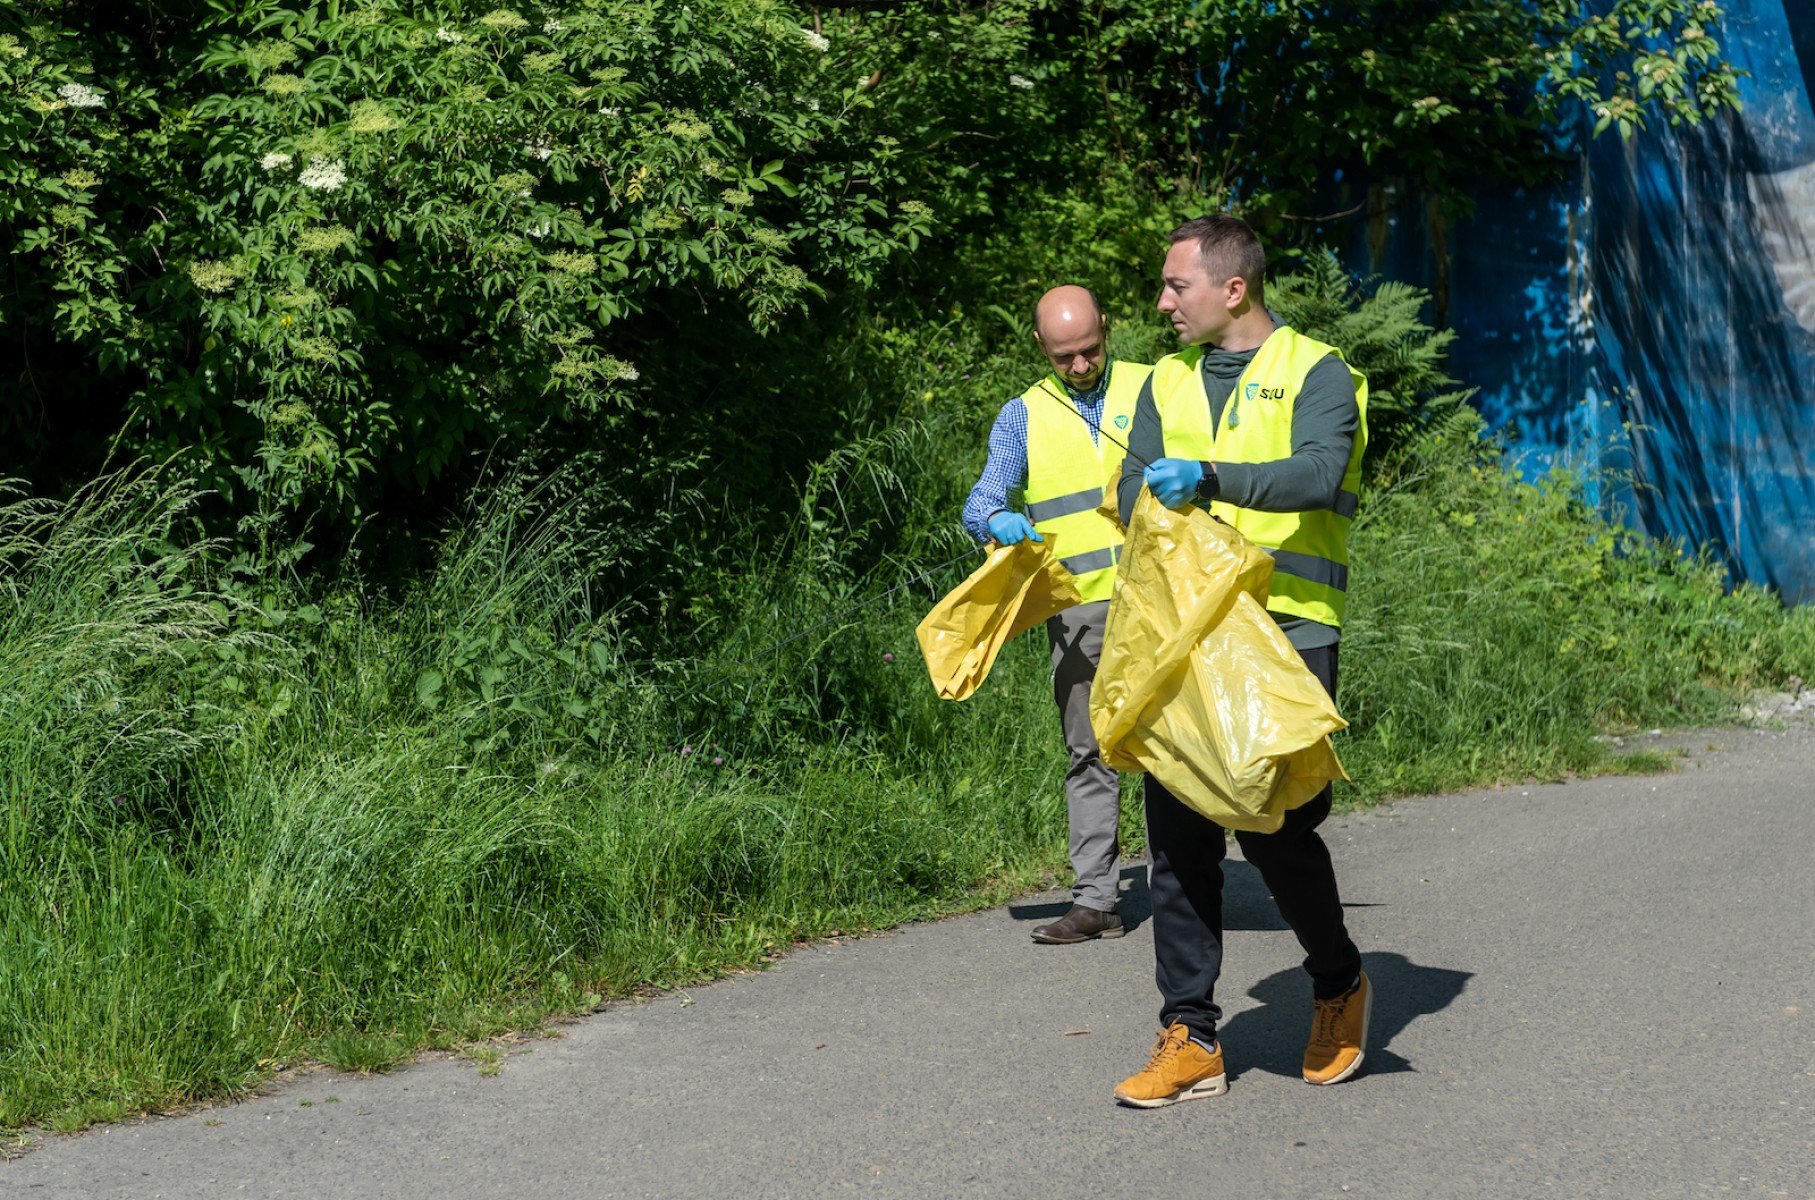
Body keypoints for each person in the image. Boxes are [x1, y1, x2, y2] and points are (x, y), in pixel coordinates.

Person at [1109, 215, 1371, 1107]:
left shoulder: (1317, 370)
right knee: (1177, 837)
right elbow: (1127, 485)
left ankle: (1335, 981)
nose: (1160, 302)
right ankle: (1190, 1033)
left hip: (1285, 628)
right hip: (1184, 632)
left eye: (1174, 285)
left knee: (1273, 827)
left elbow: (1317, 474)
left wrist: (1209, 478)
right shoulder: (1165, 380)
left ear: (1233, 289)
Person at [961, 285, 1154, 945]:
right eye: (1064, 356)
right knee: (1090, 751)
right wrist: (994, 518)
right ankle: (1096, 899)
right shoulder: (1022, 414)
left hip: (1160, 598)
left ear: (1107, 325)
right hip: (1079, 611)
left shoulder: (1155, 388)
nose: (1079, 367)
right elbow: (981, 496)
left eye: (1090, 351)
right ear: (1041, 347)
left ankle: (1185, 887)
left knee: (1172, 745)